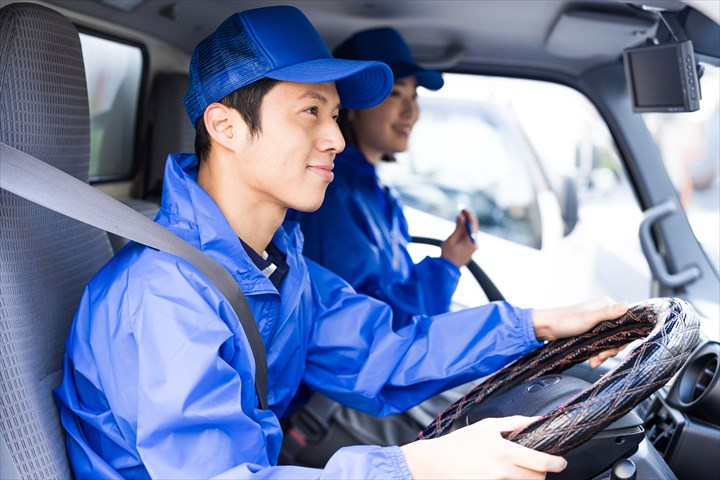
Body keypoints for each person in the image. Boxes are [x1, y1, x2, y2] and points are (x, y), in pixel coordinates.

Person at [54, 6, 627, 479]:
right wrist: (412, 467)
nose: (334, 138)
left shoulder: (278, 263)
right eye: (310, 111)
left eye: (334, 113)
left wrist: (539, 325)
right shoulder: (164, 294)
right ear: (225, 126)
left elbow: (389, 351)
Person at [288, 29, 477, 327]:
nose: (411, 111)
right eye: (395, 94)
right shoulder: (329, 193)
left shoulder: (378, 193)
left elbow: (390, 290)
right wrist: (446, 268)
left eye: (414, 96)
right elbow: (361, 322)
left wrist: (449, 259)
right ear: (351, 105)